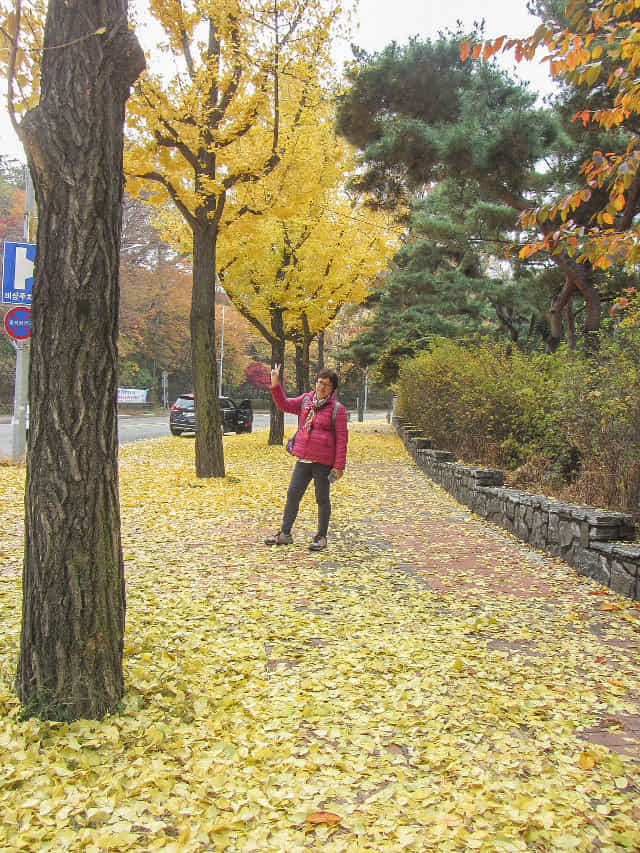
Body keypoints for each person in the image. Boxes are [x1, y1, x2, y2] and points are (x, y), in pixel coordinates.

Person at [265, 363, 348, 551]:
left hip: (324, 462)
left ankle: (321, 536)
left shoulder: (337, 409)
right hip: (303, 459)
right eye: (319, 383)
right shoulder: (306, 401)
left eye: (326, 385)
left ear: (332, 389)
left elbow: (342, 440)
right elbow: (284, 404)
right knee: (293, 495)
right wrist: (275, 382)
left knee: (322, 498)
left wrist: (339, 466)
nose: (321, 387)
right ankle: (285, 533)